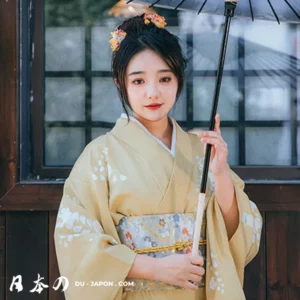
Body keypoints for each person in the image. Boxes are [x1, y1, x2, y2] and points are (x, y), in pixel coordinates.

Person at [54, 13, 263, 300]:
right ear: (120, 83)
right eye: (138, 81)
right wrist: (154, 268)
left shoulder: (201, 150)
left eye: (165, 78)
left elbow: (238, 238)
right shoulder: (99, 156)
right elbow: (75, 241)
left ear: (178, 79)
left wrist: (220, 174)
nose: (153, 92)